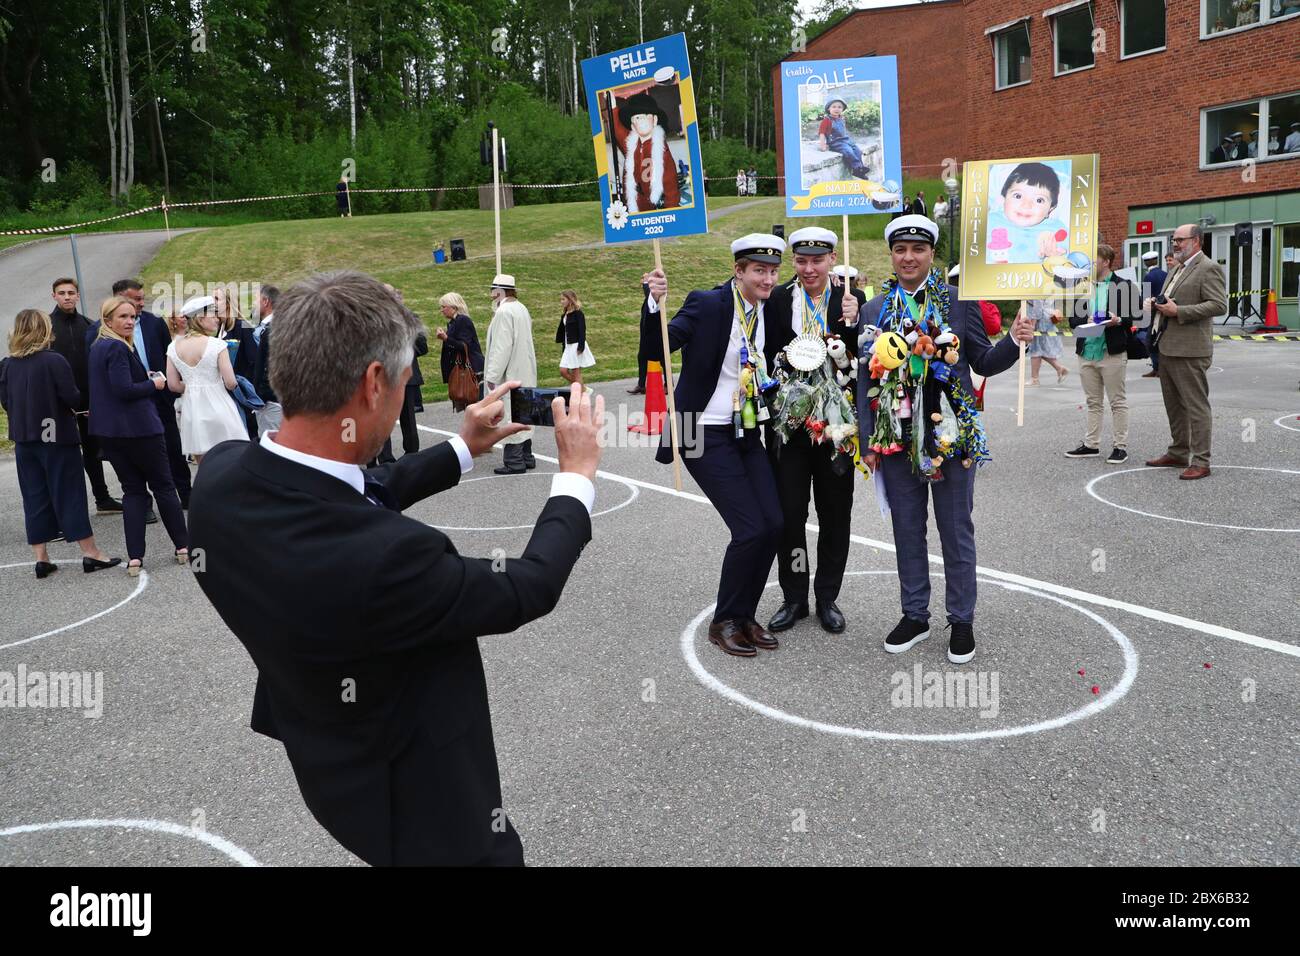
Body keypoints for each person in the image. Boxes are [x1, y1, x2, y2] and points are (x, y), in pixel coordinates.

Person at [186, 270, 602, 866]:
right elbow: (525, 588)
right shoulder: (389, 559)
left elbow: (352, 489)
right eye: (408, 379)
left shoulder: (223, 477)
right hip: (426, 809)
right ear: (375, 384)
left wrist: (460, 449)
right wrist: (575, 480)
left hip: (330, 764)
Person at [857, 215, 1034, 665]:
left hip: (951, 436)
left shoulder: (959, 302)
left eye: (918, 249)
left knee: (956, 529)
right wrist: (866, 441)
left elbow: (983, 360)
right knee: (906, 530)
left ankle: (961, 619)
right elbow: (864, 380)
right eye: (901, 250)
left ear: (931, 254)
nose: (909, 257)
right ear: (892, 255)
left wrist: (1013, 341)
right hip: (895, 435)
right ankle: (915, 614)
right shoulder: (875, 310)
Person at [648, 234, 787, 658]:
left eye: (772, 271)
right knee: (748, 529)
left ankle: (745, 615)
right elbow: (659, 346)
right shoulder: (707, 304)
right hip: (701, 430)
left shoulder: (767, 309)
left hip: (745, 430)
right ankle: (724, 620)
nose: (767, 278)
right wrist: (653, 304)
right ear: (738, 270)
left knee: (775, 524)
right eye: (758, 270)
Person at [762, 227, 864, 636]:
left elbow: (867, 360)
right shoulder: (778, 299)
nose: (809, 269)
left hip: (836, 428)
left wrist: (855, 326)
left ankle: (827, 597)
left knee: (835, 513)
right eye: (801, 261)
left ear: (832, 258)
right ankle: (794, 597)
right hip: (791, 428)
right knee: (790, 516)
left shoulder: (850, 300)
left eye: (817, 261)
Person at [0, 309, 121, 577]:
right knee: (69, 493)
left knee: (34, 496)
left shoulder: (8, 364)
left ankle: (41, 557)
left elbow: (6, 402)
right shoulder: (54, 361)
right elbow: (72, 397)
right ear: (44, 329)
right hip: (55, 436)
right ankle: (91, 552)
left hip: (24, 438)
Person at [88, 297, 189, 575]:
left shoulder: (98, 347)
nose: (130, 321)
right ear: (108, 321)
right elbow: (123, 390)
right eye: (123, 317)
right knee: (163, 486)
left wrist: (141, 378)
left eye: (132, 317)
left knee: (132, 491)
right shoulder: (118, 348)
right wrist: (154, 383)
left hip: (110, 434)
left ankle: (135, 557)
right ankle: (183, 546)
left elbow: (112, 387)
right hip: (139, 430)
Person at [99, 278, 193, 508]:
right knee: (137, 457)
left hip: (159, 399)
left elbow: (166, 356)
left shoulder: (154, 323)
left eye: (142, 298)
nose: (142, 303)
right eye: (136, 299)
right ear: (120, 299)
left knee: (172, 448)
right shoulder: (99, 333)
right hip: (127, 404)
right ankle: (145, 505)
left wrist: (169, 391)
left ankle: (187, 497)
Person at [1144, 223, 1227, 480]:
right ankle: (1179, 451)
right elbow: (1169, 300)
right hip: (1167, 346)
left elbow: (1218, 305)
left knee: (1196, 406)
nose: (1176, 244)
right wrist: (1156, 304)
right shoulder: (1176, 268)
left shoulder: (1208, 268)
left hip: (1190, 350)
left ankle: (1201, 460)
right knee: (1174, 405)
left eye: (1181, 239)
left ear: (1197, 240)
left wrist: (1179, 312)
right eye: (1174, 240)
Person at [47, 277, 122, 515]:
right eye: (62, 293)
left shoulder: (90, 326)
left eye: (71, 292)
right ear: (54, 296)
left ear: (78, 296)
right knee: (61, 454)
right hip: (58, 403)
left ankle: (102, 498)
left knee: (93, 450)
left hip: (89, 401)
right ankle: (65, 507)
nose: (67, 297)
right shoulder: (46, 327)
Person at [1063, 243, 1138, 464]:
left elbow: (1133, 317)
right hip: (1087, 351)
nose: (1089, 264)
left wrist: (1118, 320)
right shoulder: (1082, 286)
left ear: (1105, 261)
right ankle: (1091, 444)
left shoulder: (1123, 285)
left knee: (1117, 401)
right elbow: (1073, 320)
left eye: (1093, 260)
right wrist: (1083, 320)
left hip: (1111, 351)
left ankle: (1120, 447)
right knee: (1093, 402)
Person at [166, 297, 250, 463]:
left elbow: (173, 385)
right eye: (213, 314)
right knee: (232, 458)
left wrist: (193, 387)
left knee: (204, 464)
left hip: (192, 410)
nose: (217, 318)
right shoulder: (216, 345)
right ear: (200, 318)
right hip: (220, 406)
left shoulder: (173, 347)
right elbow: (231, 382)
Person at [483, 274, 538, 474]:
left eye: (492, 290)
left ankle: (514, 460)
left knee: (510, 414)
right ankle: (526, 456)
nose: (490, 294)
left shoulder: (504, 312)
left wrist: (492, 376)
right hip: (525, 370)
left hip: (510, 373)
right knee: (524, 413)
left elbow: (502, 347)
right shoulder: (521, 308)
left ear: (499, 291)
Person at [989, 162, 1068, 262]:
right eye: (1018, 196)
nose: (1026, 205)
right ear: (1004, 197)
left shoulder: (1056, 230)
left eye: (1039, 200)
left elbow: (1069, 259)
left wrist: (1055, 257)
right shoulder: (990, 221)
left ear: (1050, 209)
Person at [618, 91, 679, 212]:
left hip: (656, 211)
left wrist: (672, 214)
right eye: (637, 117)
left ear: (655, 120)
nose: (642, 120)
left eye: (646, 115)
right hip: (635, 211)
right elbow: (618, 131)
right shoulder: (631, 146)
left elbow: (670, 186)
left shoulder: (661, 151)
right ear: (632, 124)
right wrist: (613, 107)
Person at [436, 292, 484, 399]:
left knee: (475, 403)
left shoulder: (463, 320)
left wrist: (446, 338)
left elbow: (464, 345)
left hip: (471, 369)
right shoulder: (454, 322)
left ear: (453, 307)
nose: (441, 310)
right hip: (465, 368)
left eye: (444, 307)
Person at [252, 284, 282, 433]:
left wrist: (261, 396)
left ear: (265, 302)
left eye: (255, 300)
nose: (252, 305)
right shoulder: (277, 325)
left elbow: (269, 366)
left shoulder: (272, 329)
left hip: (272, 403)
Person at [817, 96, 868, 179]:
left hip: (846, 140)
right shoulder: (826, 120)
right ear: (829, 109)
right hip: (836, 142)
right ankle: (857, 168)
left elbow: (842, 132)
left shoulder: (841, 118)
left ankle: (860, 170)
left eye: (839, 107)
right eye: (834, 107)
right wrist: (823, 145)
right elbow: (822, 133)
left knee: (857, 151)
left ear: (842, 109)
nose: (837, 109)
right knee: (848, 151)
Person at [1024, 298, 1068, 386]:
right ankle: (1059, 368)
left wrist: (1032, 324)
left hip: (1041, 320)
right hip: (1047, 316)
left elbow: (1038, 307)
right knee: (1040, 349)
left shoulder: (1037, 288)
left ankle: (1035, 379)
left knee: (1036, 349)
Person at [1139, 251, 1168, 378]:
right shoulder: (1166, 274)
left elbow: (1145, 297)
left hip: (1152, 312)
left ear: (1145, 262)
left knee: (1150, 341)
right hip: (1165, 311)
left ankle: (1157, 367)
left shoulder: (1148, 277)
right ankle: (1159, 368)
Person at [556, 289, 593, 387]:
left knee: (576, 373)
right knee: (563, 371)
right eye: (561, 299)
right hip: (568, 347)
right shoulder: (565, 314)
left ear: (570, 299)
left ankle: (581, 395)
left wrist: (581, 347)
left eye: (563, 299)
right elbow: (564, 333)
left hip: (576, 346)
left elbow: (582, 331)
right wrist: (564, 348)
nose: (561, 302)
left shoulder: (578, 313)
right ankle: (583, 390)